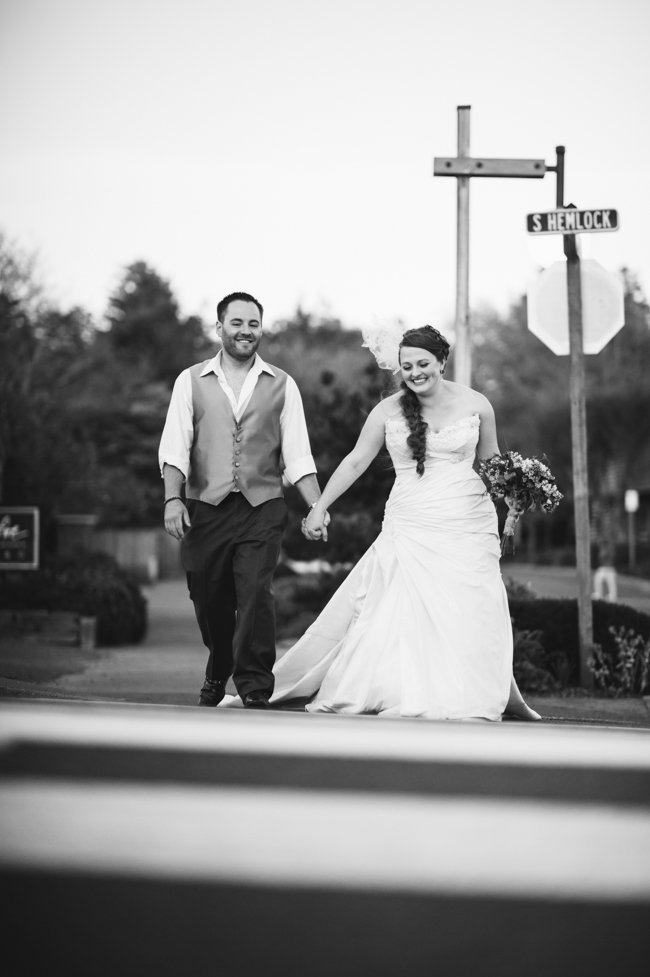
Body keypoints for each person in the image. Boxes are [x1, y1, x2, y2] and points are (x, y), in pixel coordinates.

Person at [263, 325, 540, 721]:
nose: (415, 373)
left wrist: (516, 500)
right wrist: (319, 506)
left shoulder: (478, 403)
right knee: (400, 607)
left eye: (423, 363)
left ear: (442, 361)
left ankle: (469, 691)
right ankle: (402, 688)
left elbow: (493, 463)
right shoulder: (387, 410)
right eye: (407, 366)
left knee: (468, 606)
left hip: (468, 520)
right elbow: (356, 460)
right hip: (411, 519)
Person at [159, 291, 325, 709]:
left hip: (262, 505)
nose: (246, 331)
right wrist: (172, 500)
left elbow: (298, 455)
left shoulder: (283, 384)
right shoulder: (190, 380)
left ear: (261, 329)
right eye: (237, 323)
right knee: (207, 595)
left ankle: (253, 686)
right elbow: (175, 449)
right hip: (206, 507)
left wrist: (316, 506)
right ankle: (219, 667)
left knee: (255, 592)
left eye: (253, 324)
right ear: (219, 328)